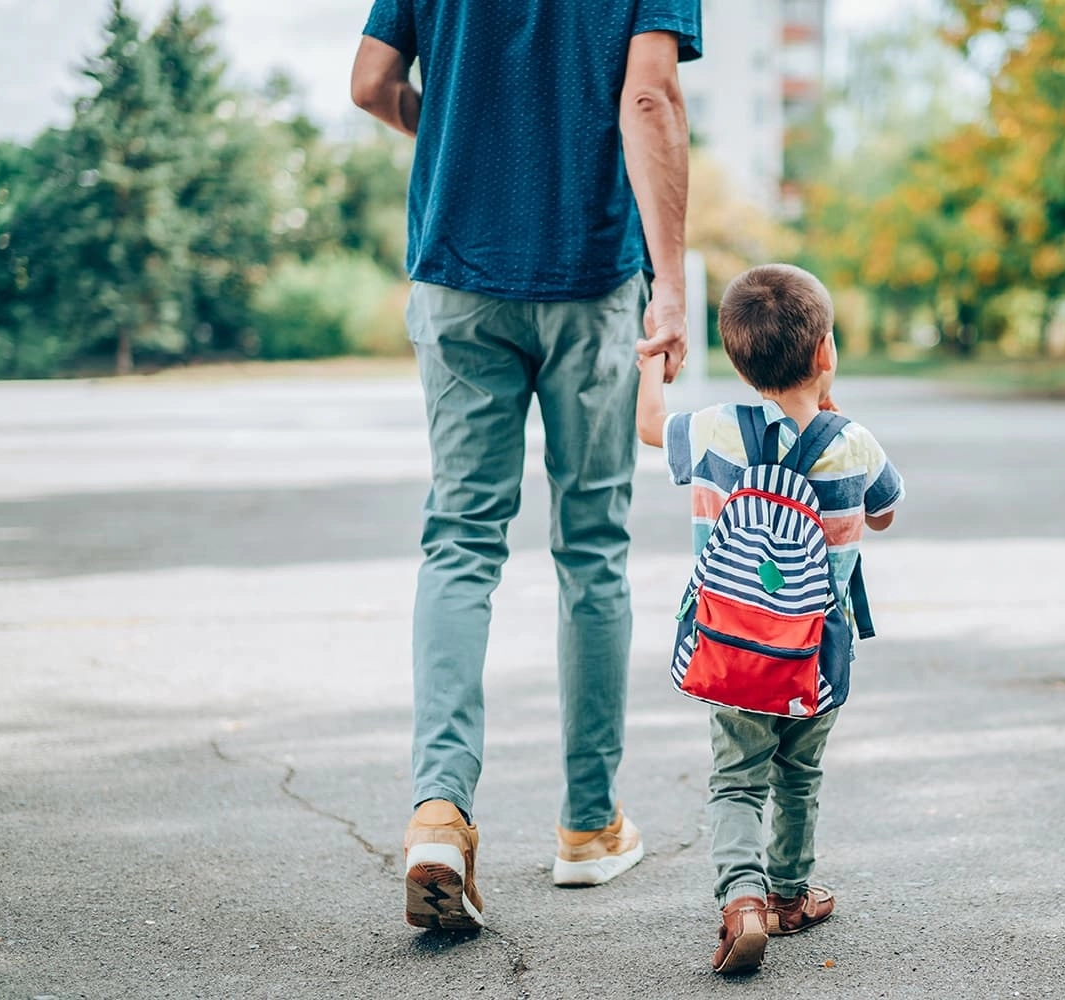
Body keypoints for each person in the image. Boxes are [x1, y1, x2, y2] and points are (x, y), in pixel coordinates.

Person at [349, 0, 703, 932]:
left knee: (461, 541)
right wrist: (671, 285)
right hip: (590, 277)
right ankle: (588, 826)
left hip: (458, 269)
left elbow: (372, 83)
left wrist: (459, 137)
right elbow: (651, 100)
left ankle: (439, 810)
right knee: (591, 547)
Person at [635, 264, 905, 973]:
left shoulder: (714, 431)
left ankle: (741, 902)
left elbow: (647, 428)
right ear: (825, 353)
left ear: (736, 358)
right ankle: (789, 896)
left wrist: (652, 362)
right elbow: (883, 512)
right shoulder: (854, 443)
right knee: (798, 774)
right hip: (815, 656)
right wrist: (831, 411)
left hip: (730, 653)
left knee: (736, 780)